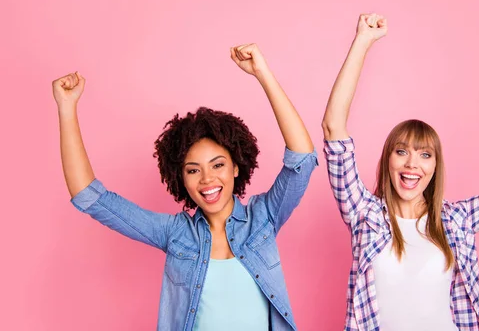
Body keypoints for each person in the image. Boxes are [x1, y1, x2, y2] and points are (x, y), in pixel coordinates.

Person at [53, 43, 318, 331]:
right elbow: (90, 197)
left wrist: (262, 73)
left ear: (236, 167)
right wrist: (67, 109)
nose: (207, 179)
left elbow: (302, 159)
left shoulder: (264, 217)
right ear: (181, 178)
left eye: (217, 165)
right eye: (193, 170)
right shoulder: (176, 235)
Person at [321, 13, 479, 330]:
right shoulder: (365, 214)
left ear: (435, 166)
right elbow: (333, 126)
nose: (411, 165)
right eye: (401, 151)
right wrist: (363, 41)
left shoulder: (456, 220)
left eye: (424, 155)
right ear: (388, 159)